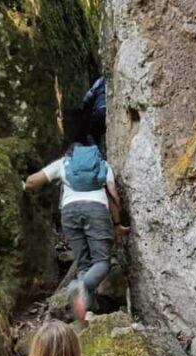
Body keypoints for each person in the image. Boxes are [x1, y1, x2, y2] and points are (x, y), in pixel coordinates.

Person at [24, 109, 128, 320]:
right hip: (96, 209)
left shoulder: (64, 163)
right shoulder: (102, 165)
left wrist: (23, 186)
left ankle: (86, 312)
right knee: (102, 262)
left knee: (84, 264)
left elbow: (34, 181)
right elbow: (112, 194)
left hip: (70, 213)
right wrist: (117, 223)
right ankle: (81, 288)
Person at [83, 76, 106, 145]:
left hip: (100, 111)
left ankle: (95, 152)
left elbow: (87, 98)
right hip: (112, 113)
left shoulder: (100, 81)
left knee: (89, 133)